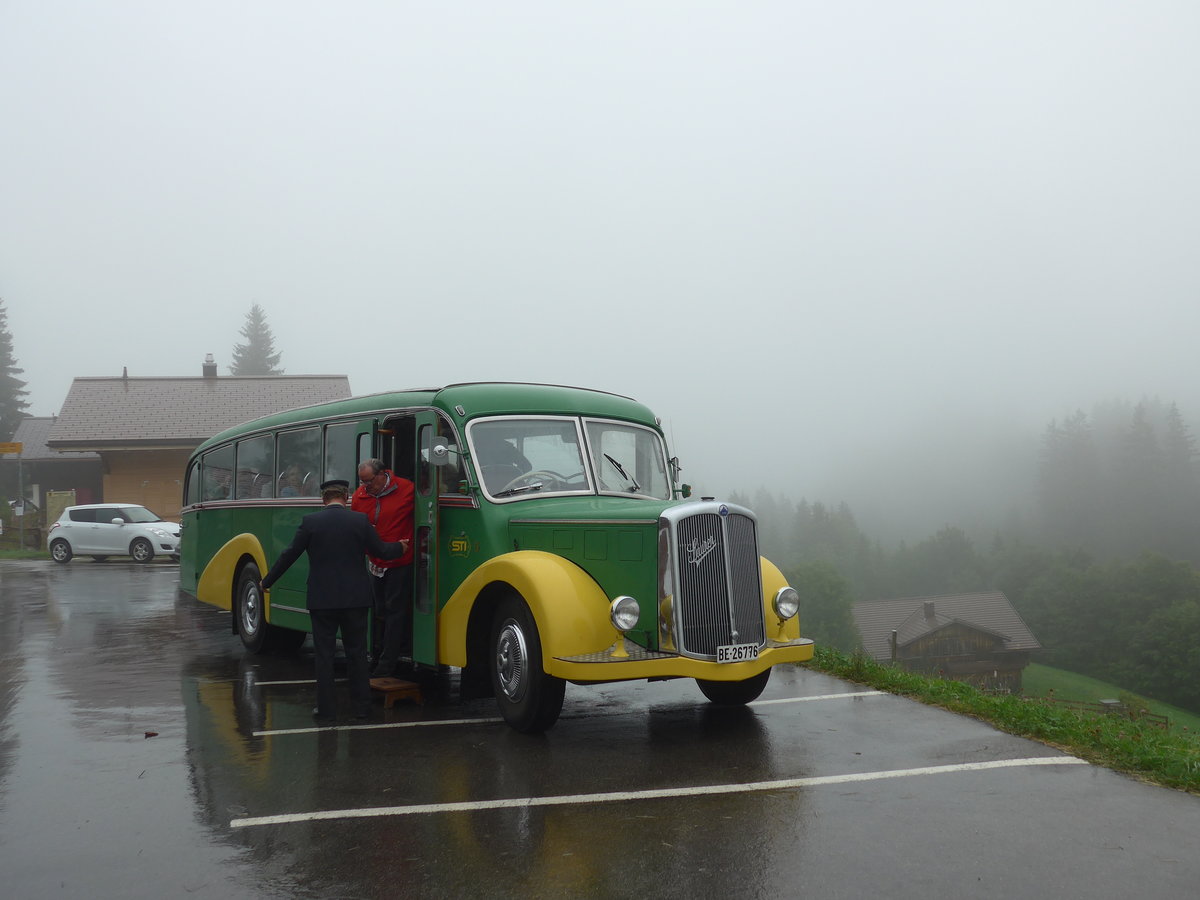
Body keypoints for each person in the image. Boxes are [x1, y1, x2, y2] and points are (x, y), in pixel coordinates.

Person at [260, 479, 407, 724]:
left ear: (323, 499)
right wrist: (400, 548)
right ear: (346, 496)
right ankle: (361, 708)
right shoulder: (359, 521)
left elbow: (289, 555)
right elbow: (380, 551)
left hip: (322, 600)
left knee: (325, 655)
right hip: (356, 599)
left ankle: (326, 710)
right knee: (357, 654)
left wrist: (267, 581)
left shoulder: (311, 523)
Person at [351, 457, 415, 677]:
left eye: (369, 481)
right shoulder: (360, 496)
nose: (365, 487)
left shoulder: (406, 489)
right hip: (374, 562)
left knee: (395, 611)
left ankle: (388, 663)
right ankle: (376, 653)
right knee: (379, 611)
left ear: (381, 475)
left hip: (400, 561)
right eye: (362, 482)